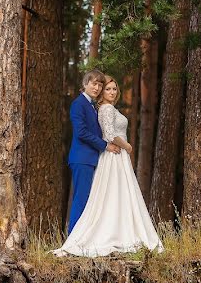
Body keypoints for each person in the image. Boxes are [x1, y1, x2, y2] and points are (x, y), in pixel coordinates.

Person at [55, 76, 163, 257]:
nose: (111, 92)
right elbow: (108, 134)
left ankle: (113, 231)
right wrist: (126, 146)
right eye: (107, 88)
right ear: (87, 85)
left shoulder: (100, 107)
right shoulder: (100, 108)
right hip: (100, 155)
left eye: (113, 89)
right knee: (85, 199)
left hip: (110, 156)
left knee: (111, 195)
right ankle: (74, 240)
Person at [66, 69, 121, 234]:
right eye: (94, 84)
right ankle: (72, 238)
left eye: (99, 85)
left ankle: (81, 237)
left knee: (89, 200)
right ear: (85, 84)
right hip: (82, 158)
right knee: (81, 199)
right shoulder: (79, 104)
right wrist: (105, 145)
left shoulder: (91, 105)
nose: (97, 88)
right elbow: (81, 132)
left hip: (90, 158)